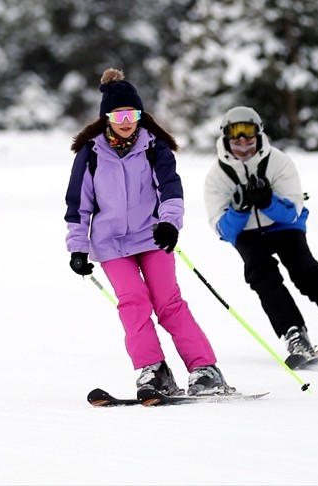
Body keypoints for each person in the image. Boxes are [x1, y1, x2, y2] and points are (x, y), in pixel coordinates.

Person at [64, 68, 235, 398]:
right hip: (110, 244)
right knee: (133, 303)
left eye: (133, 114)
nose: (127, 121)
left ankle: (204, 369)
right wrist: (77, 247)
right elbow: (78, 204)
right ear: (107, 117)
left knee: (168, 302)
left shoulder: (154, 146)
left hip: (152, 237)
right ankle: (153, 370)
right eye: (120, 114)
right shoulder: (91, 152)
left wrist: (170, 223)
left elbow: (170, 189)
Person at [202, 105, 318, 368]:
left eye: (249, 136)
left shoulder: (278, 162)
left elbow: (291, 212)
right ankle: (294, 334)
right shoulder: (217, 176)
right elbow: (223, 229)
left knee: (306, 274)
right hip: (247, 233)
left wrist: (267, 202)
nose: (243, 144)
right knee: (262, 276)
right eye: (236, 137)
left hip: (283, 227)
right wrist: (240, 209)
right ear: (226, 138)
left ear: (259, 134)